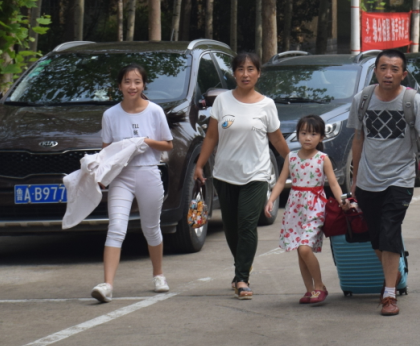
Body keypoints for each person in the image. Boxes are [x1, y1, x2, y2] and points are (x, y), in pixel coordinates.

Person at [348, 49, 420, 315]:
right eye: (383, 68)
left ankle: (389, 294)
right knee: (375, 238)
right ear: (375, 71)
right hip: (368, 181)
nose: (388, 73)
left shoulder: (412, 101)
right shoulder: (361, 100)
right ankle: (392, 275)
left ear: (403, 74)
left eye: (394, 69)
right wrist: (354, 178)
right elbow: (358, 139)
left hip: (400, 179)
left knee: (389, 230)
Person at [195, 52, 289, 300]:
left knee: (247, 224)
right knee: (231, 228)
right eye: (240, 69)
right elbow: (212, 136)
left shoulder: (266, 104)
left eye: (250, 69)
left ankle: (242, 278)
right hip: (225, 174)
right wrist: (199, 165)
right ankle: (242, 268)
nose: (245, 74)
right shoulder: (223, 101)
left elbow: (276, 139)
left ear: (258, 73)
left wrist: (294, 161)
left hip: (256, 174)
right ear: (234, 73)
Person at [90, 64, 174, 304]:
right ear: (119, 86)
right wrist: (98, 174)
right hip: (121, 177)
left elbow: (168, 144)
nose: (132, 86)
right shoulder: (110, 115)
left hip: (148, 173)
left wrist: (145, 141)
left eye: (137, 82)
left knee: (151, 228)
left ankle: (158, 275)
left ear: (143, 85)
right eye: (127, 82)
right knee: (116, 227)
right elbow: (107, 151)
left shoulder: (155, 111)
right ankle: (107, 285)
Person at [265, 115, 345, 305]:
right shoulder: (291, 157)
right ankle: (309, 290)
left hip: (315, 208)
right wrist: (271, 199)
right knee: (300, 251)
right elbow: (282, 181)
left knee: (305, 248)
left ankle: (319, 286)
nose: (308, 138)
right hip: (295, 209)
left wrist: (342, 201)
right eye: (303, 133)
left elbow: (333, 183)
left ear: (321, 137)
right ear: (298, 134)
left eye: (313, 134)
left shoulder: (322, 159)